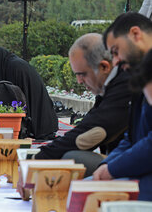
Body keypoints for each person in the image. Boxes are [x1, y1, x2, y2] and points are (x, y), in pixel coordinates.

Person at [34, 33, 132, 176]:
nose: (79, 81)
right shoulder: (113, 84)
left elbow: (91, 132)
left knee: (74, 159)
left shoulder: (127, 84)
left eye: (82, 74)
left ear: (104, 66)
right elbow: (88, 124)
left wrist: (37, 160)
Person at [95, 12, 152, 200]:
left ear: (136, 34)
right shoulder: (138, 75)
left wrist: (113, 169)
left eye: (115, 51)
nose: (116, 61)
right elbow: (132, 137)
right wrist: (106, 168)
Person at [0, 46, 58, 140]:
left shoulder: (13, 67)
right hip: (43, 117)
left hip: (40, 122)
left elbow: (17, 96)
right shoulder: (12, 64)